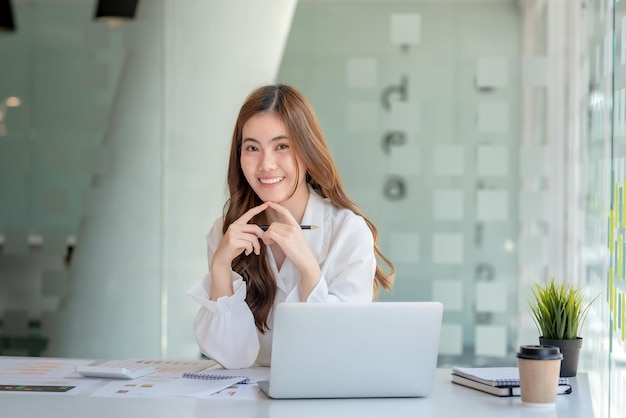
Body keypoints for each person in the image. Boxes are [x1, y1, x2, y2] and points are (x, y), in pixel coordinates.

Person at [188, 84, 395, 369]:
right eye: (252, 148)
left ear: (307, 151)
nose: (266, 164)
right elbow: (231, 357)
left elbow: (338, 351)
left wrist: (309, 269)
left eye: (282, 146)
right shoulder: (226, 233)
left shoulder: (347, 232)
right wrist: (221, 268)